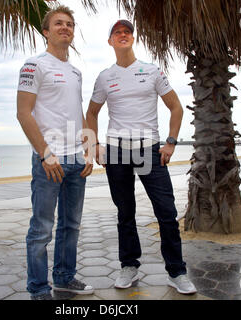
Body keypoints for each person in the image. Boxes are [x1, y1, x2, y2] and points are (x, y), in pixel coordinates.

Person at [86, 20, 197, 294]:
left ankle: (176, 272)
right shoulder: (104, 77)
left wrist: (170, 142)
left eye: (127, 32)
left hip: (149, 149)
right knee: (125, 213)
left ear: (132, 39)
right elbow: (91, 113)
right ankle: (129, 267)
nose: (123, 35)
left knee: (166, 212)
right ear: (110, 41)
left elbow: (176, 108)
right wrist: (94, 146)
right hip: (116, 150)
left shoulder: (151, 70)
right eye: (117, 33)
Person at [16, 5, 94, 300]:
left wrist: (88, 150)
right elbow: (24, 113)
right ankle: (38, 289)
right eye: (59, 23)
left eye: (70, 24)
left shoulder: (75, 72)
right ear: (46, 31)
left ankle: (64, 278)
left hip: (76, 159)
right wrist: (45, 154)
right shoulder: (34, 65)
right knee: (42, 229)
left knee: (71, 225)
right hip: (50, 160)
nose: (65, 28)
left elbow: (78, 113)